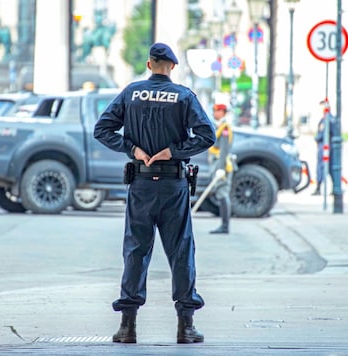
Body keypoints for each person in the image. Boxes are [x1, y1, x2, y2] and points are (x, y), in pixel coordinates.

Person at [94, 42, 216, 344]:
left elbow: (103, 129)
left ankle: (127, 327)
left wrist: (132, 149)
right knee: (181, 252)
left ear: (149, 64)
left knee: (136, 249)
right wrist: (173, 152)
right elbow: (207, 136)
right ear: (172, 67)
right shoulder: (184, 96)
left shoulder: (131, 93)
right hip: (173, 184)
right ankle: (185, 327)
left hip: (141, 184)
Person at [208, 103, 234, 234]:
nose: (214, 113)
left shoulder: (225, 128)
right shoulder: (218, 126)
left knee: (223, 194)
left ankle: (225, 226)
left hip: (222, 166)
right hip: (218, 164)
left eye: (217, 111)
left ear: (223, 112)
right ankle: (224, 225)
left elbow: (224, 150)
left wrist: (221, 168)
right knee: (220, 193)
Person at [312, 100, 335, 196]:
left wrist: (316, 138)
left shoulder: (326, 120)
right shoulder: (331, 119)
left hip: (325, 146)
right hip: (329, 146)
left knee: (321, 167)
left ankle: (318, 187)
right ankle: (334, 187)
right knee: (331, 168)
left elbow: (322, 134)